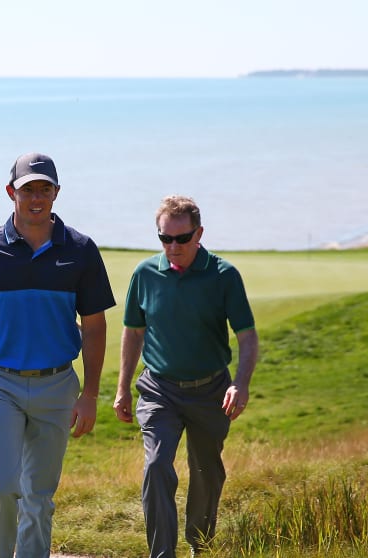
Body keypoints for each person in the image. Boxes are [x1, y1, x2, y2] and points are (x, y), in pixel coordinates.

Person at [0, 152, 115, 558]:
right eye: (27, 190)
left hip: (57, 386)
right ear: (10, 193)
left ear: (56, 193)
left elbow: (94, 326)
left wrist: (89, 394)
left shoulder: (81, 250)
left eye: (44, 189)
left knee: (39, 494)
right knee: (1, 487)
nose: (36, 198)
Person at [113, 195, 259, 557]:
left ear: (199, 234)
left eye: (182, 238)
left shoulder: (224, 276)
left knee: (206, 470)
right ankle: (162, 553)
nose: (173, 247)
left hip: (211, 390)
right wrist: (122, 390)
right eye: (165, 238)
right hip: (159, 390)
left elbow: (247, 336)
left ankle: (200, 545)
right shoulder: (145, 274)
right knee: (157, 466)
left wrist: (240, 383)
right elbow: (133, 332)